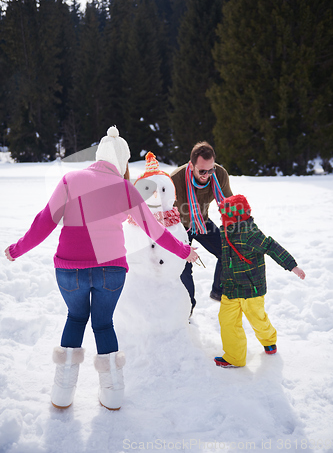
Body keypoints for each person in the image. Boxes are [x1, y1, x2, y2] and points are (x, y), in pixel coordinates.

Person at [4, 126, 198, 410]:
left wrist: (17, 249)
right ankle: (112, 394)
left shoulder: (70, 179)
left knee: (76, 317)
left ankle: (62, 394)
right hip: (112, 271)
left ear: (99, 155)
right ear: (122, 161)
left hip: (70, 270)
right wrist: (185, 251)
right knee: (103, 323)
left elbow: (45, 221)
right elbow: (154, 230)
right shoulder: (125, 189)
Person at [214, 194, 306, 368]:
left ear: (236, 217)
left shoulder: (250, 234)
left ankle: (269, 339)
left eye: (223, 215)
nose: (220, 218)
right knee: (227, 321)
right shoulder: (226, 231)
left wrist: (292, 266)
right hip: (231, 288)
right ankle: (235, 357)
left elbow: (272, 246)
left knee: (257, 319)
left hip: (251, 289)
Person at [171, 141, 233, 312]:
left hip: (202, 222)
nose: (207, 174)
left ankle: (218, 291)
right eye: (202, 171)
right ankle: (188, 309)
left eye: (210, 169)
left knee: (227, 250)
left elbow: (230, 204)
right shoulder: (174, 180)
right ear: (191, 165)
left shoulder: (219, 174)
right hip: (179, 226)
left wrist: (240, 227)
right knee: (184, 268)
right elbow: (161, 210)